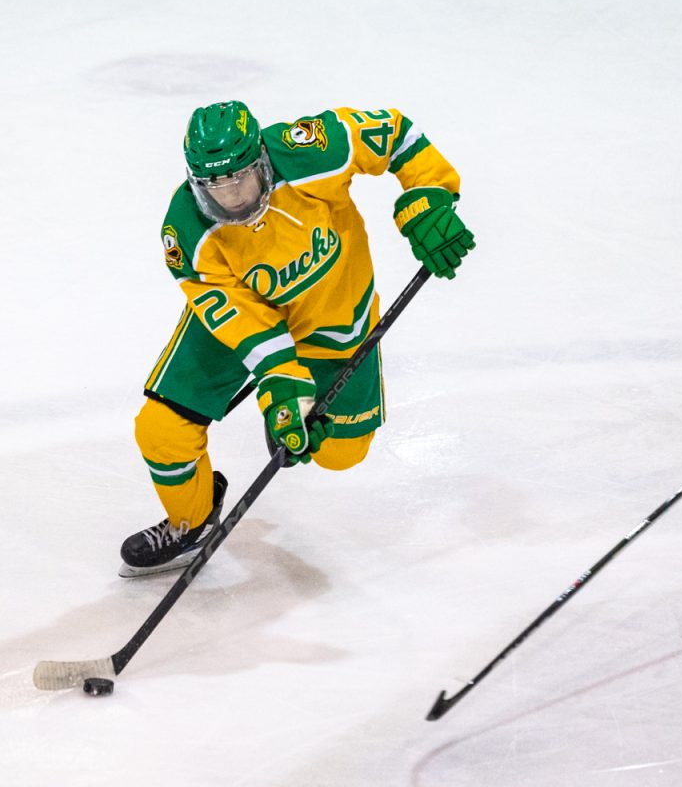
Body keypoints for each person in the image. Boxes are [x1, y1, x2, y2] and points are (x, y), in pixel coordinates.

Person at [121, 101, 475, 576]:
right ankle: (192, 521)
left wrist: (428, 194)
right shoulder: (186, 230)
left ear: (261, 159)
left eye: (239, 179)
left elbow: (396, 133)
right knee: (161, 429)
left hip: (334, 317)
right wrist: (281, 381)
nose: (230, 197)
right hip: (246, 313)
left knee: (341, 454)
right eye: (214, 186)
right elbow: (239, 319)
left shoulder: (307, 150)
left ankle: (297, 410)